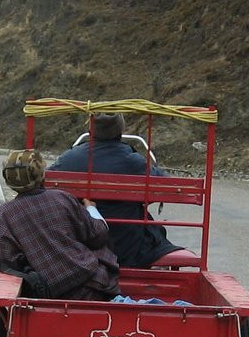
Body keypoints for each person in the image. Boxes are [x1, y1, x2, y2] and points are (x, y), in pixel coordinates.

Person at [47, 112, 182, 268]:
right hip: (127, 246)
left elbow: (47, 185)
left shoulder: (69, 158)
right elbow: (168, 186)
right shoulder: (132, 161)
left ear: (91, 129)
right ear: (120, 130)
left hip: (80, 242)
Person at [0, 149, 120, 301]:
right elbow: (97, 235)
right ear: (41, 174)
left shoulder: (5, 212)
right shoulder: (61, 197)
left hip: (47, 290)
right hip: (90, 284)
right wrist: (91, 209)